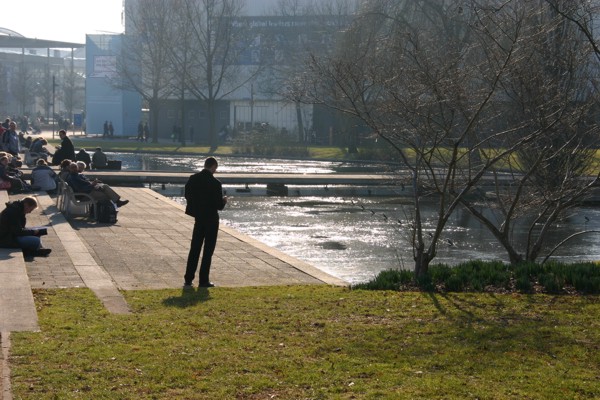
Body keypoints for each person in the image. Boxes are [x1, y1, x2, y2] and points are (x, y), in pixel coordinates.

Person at [183, 157, 228, 288]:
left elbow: (187, 195)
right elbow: (218, 205)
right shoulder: (215, 183)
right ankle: (203, 280)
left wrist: (196, 207)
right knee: (208, 251)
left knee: (194, 248)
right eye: (216, 169)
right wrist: (224, 201)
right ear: (213, 167)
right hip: (211, 219)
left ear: (205, 165)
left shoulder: (193, 179)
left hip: (199, 217)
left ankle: (188, 278)